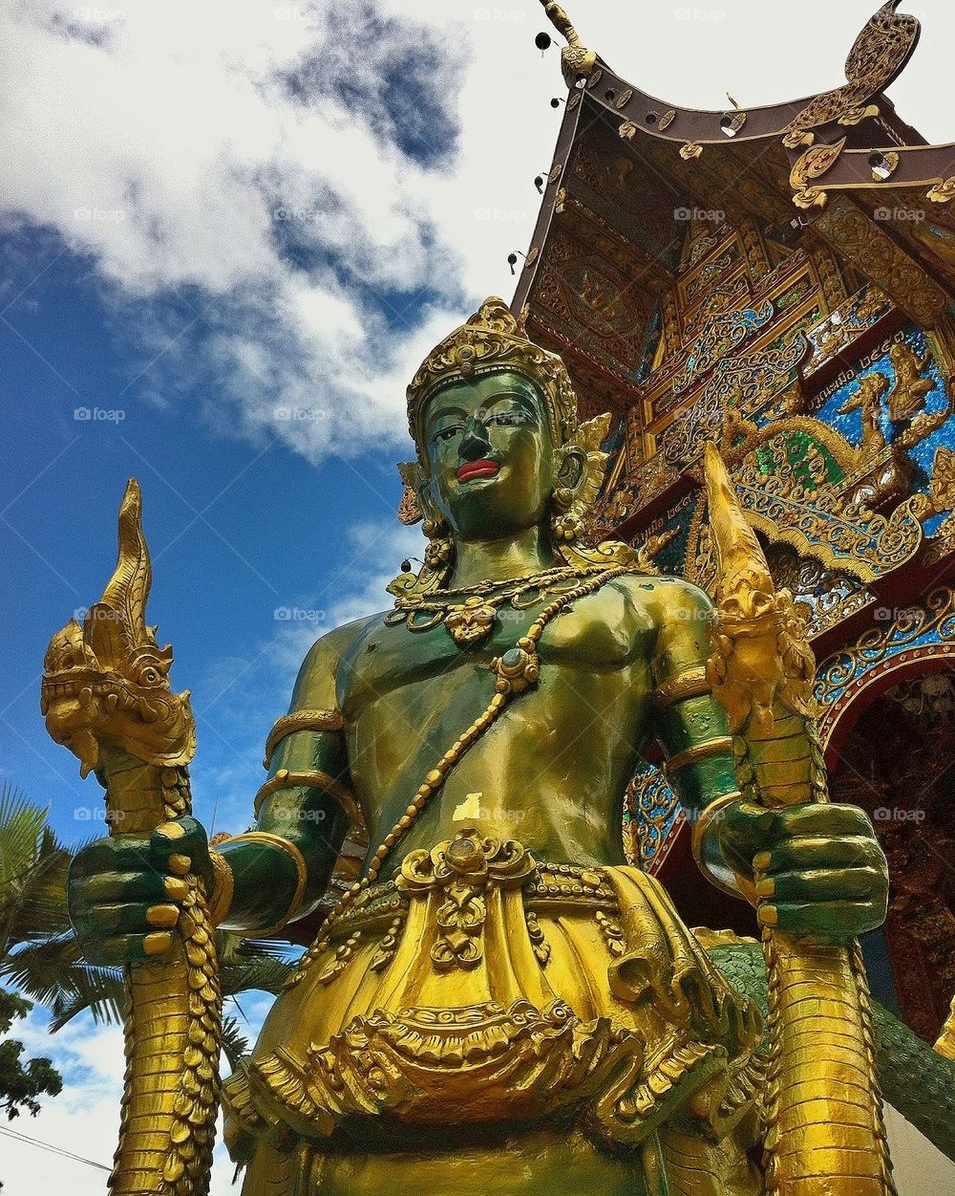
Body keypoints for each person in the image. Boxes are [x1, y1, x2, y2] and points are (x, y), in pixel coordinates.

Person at [68, 297, 888, 1196]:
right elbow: (295, 853)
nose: (471, 437)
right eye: (446, 428)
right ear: (420, 480)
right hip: (353, 1001)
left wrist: (787, 848)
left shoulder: (648, 606)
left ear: (567, 463)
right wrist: (196, 879)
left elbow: (721, 812)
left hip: (600, 978)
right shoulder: (345, 651)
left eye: (504, 414)